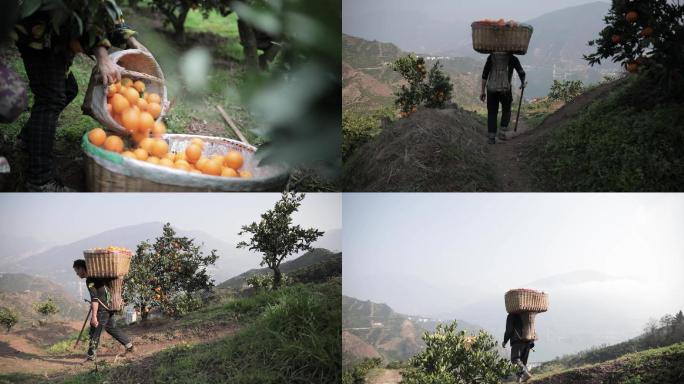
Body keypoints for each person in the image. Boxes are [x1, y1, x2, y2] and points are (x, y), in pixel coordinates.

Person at [11, 1, 148, 191]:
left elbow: (104, 6)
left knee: (68, 89)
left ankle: (30, 139)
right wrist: (102, 55)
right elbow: (84, 7)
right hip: (42, 28)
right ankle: (39, 181)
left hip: (57, 33)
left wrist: (129, 38)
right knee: (50, 97)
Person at [73, 259, 133, 361]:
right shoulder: (99, 277)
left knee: (94, 332)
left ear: (82, 268)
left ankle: (91, 357)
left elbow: (95, 299)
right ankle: (130, 346)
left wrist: (94, 317)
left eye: (77, 271)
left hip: (102, 310)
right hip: (109, 307)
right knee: (111, 328)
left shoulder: (90, 280)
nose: (77, 274)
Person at [479, 52, 526, 144]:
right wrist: (522, 82)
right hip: (506, 90)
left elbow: (485, 75)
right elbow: (521, 72)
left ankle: (491, 138)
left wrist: (482, 91)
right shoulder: (513, 58)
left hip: (491, 89)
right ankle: (502, 132)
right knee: (506, 109)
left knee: (492, 112)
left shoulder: (491, 57)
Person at [502, 313, 534, 383]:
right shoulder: (528, 313)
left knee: (515, 359)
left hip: (517, 341)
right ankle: (518, 380)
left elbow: (509, 330)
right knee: (522, 362)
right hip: (529, 341)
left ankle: (526, 373)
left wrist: (505, 341)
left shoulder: (512, 315)